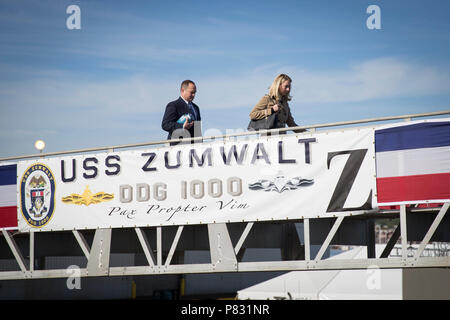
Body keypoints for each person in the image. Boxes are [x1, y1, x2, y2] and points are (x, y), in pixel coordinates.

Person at [162, 80, 202, 145]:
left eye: (195, 92)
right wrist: (182, 126)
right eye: (191, 92)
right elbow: (165, 125)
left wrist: (200, 145)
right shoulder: (173, 105)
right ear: (183, 90)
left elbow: (198, 130)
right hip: (177, 147)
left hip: (194, 148)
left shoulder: (196, 108)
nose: (194, 95)